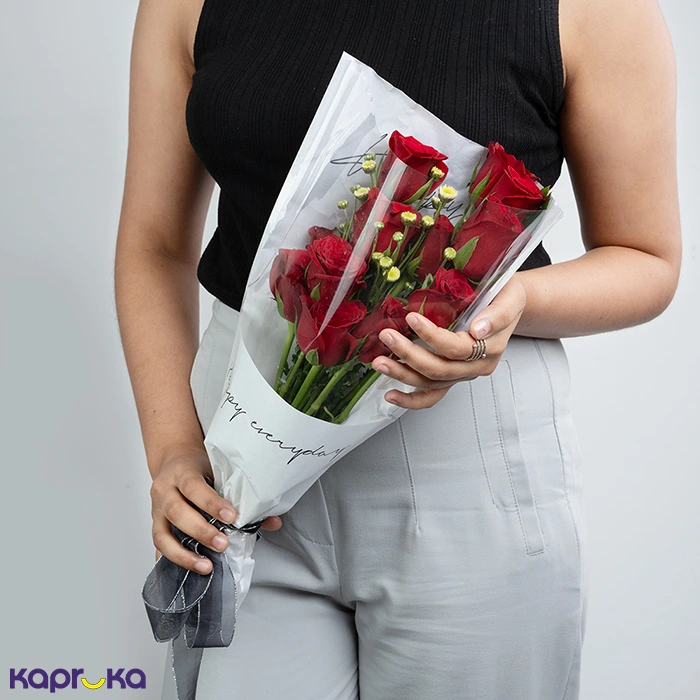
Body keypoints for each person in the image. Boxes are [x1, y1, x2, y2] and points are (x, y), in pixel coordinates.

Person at [114, 0, 681, 697]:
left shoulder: (591, 10)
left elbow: (646, 256)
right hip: (240, 457)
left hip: (463, 445)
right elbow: (155, 247)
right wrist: (173, 447)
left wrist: (512, 301)